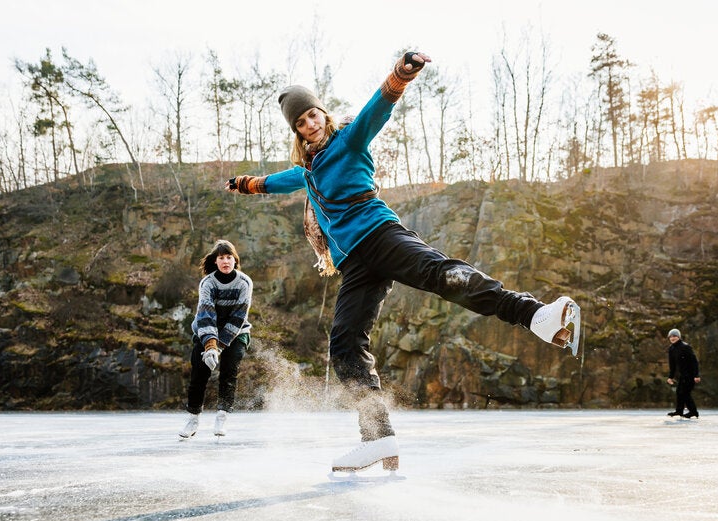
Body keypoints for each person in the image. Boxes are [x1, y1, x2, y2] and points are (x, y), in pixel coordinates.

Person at [226, 51, 580, 472]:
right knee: (344, 344)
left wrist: (400, 75)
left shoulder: (349, 140)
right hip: (356, 265)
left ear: (323, 113)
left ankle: (536, 315)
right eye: (301, 123)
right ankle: (377, 438)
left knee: (442, 275)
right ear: (298, 133)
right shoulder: (308, 172)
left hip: (380, 234)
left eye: (313, 115)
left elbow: (377, 110)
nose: (310, 124)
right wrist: (244, 184)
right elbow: (275, 182)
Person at [179, 239, 253, 440]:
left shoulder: (244, 282)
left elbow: (239, 316)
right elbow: (206, 314)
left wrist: (219, 347)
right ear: (215, 261)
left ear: (235, 260)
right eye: (221, 258)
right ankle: (193, 418)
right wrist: (210, 344)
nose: (226, 261)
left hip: (236, 332)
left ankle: (222, 416)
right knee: (199, 372)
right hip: (205, 330)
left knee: (229, 370)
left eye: (229, 257)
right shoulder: (208, 282)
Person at [666, 328, 700, 419]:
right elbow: (672, 364)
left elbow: (694, 361)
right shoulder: (671, 349)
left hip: (690, 374)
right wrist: (670, 377)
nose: (672, 338)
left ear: (679, 337)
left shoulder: (685, 347)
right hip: (682, 375)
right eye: (671, 336)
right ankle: (679, 411)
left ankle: (693, 412)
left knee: (685, 393)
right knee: (679, 392)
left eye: (675, 336)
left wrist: (696, 375)